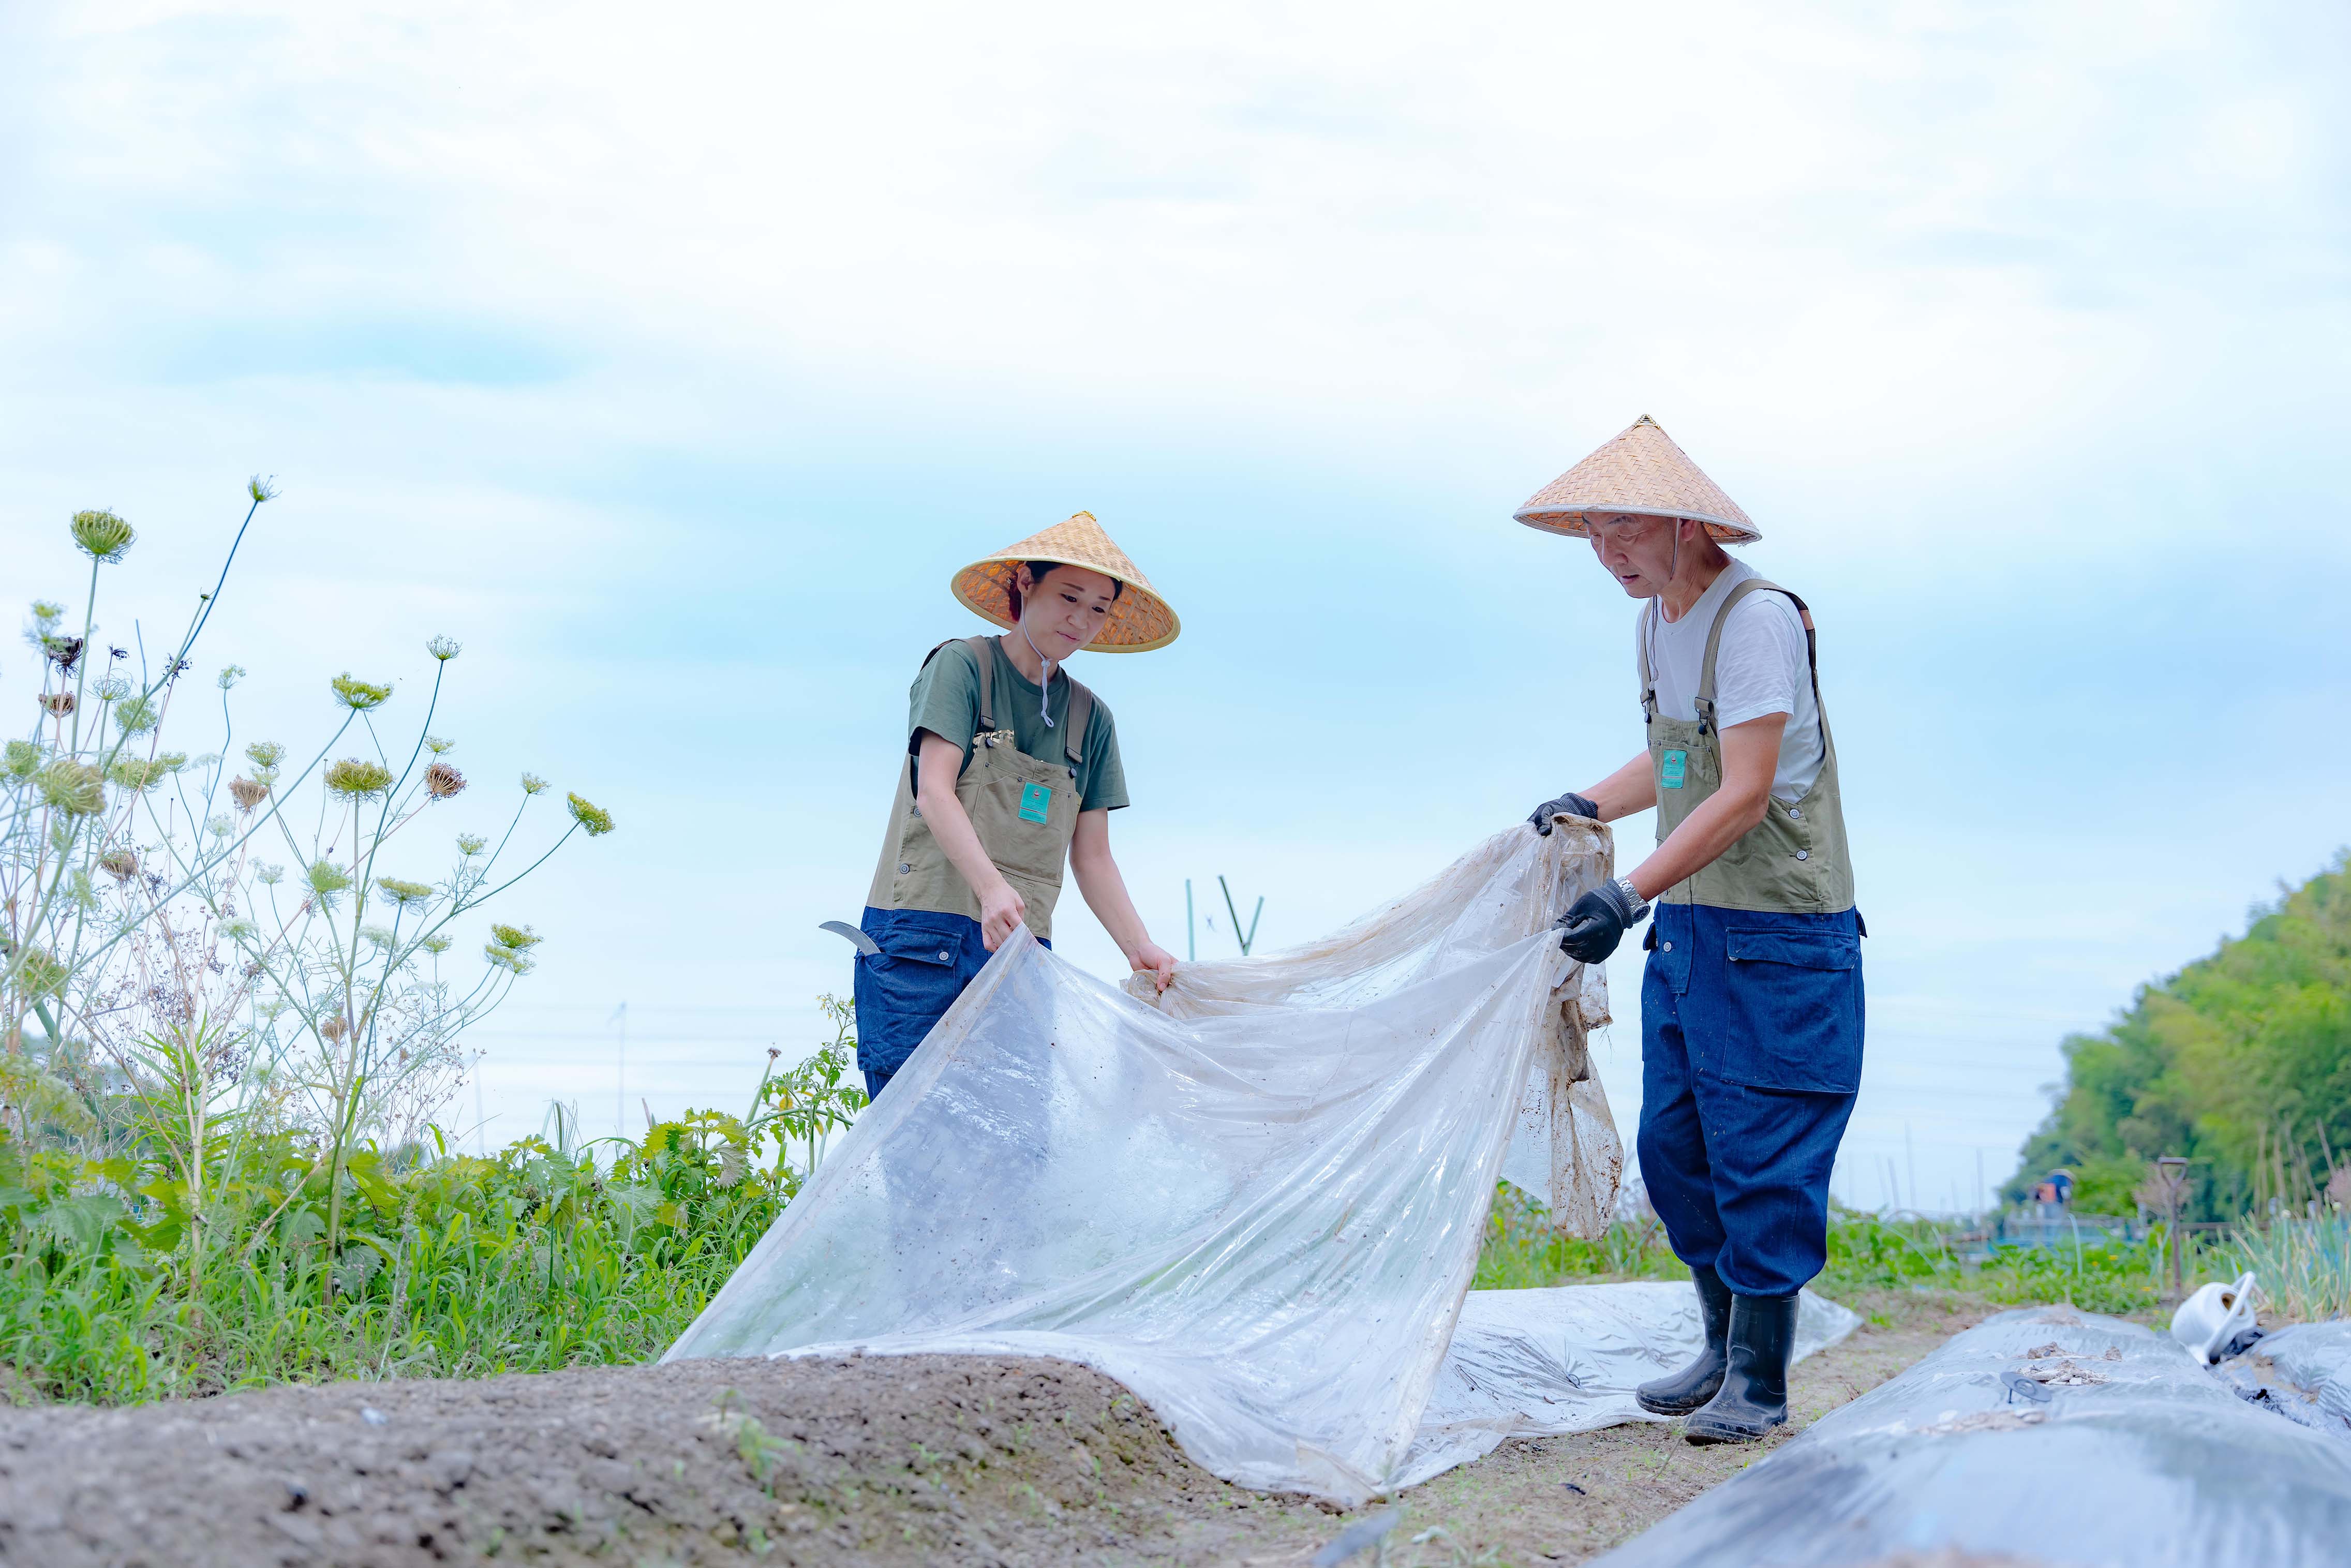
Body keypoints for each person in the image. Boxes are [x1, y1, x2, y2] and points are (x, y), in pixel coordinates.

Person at [1515, 416, 1864, 1445]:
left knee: (1763, 1156)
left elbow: (1746, 791)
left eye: (1620, 531)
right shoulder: (1656, 621)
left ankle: (1760, 1381)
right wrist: (1586, 800)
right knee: (1677, 1153)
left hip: (1780, 941)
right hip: (1695, 934)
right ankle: (1720, 1349)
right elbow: (1676, 766)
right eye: (1591, 536)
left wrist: (1628, 895)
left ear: (1678, 522)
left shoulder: (1754, 619)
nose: (1606, 555)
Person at [854, 512, 1180, 1101]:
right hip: (921, 942)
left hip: (1020, 957)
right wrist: (991, 888)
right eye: (1068, 597)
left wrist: (1139, 949)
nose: (1081, 620)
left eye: (1099, 608)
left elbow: (1094, 859)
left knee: (1014, 1156)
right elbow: (934, 789)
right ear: (1025, 587)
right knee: (912, 1144)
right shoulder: (962, 667)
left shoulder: (1092, 720)